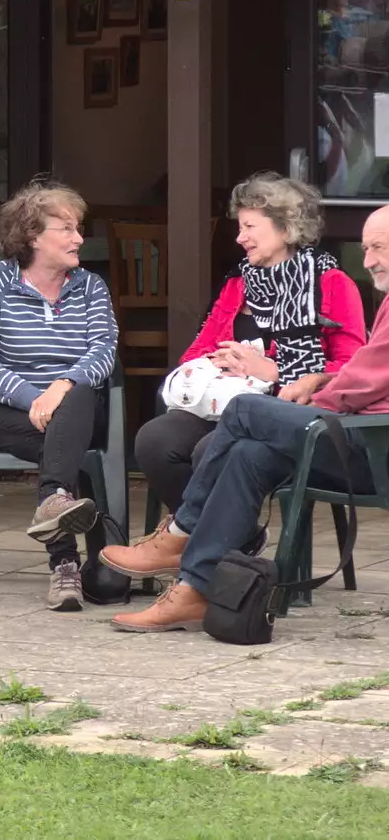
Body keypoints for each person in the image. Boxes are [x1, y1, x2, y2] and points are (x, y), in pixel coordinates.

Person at [104, 206, 389, 633]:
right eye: (365, 248)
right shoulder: (241, 282)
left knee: (245, 412)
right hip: (354, 434)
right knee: (247, 454)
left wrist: (308, 392)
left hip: (373, 446)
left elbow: (366, 380)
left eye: (378, 248)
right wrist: (321, 380)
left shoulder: (332, 283)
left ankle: (182, 533)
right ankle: (194, 590)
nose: (367, 260)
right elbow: (365, 372)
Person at [135, 174, 364, 522]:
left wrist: (274, 372)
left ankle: (206, 554)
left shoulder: (332, 283)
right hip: (221, 405)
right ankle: (224, 548)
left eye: (249, 226)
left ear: (286, 228)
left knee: (209, 451)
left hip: (288, 415)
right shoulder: (238, 283)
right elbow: (195, 352)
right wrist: (221, 360)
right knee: (155, 440)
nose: (240, 238)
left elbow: (350, 369)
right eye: (239, 228)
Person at [0, 181, 118, 612]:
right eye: (66, 229)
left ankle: (63, 557)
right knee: (65, 446)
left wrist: (61, 388)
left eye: (79, 228)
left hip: (73, 409)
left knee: (80, 396)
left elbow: (103, 351)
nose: (78, 239)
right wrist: (33, 398)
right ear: (33, 236)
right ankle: (70, 540)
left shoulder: (90, 287)